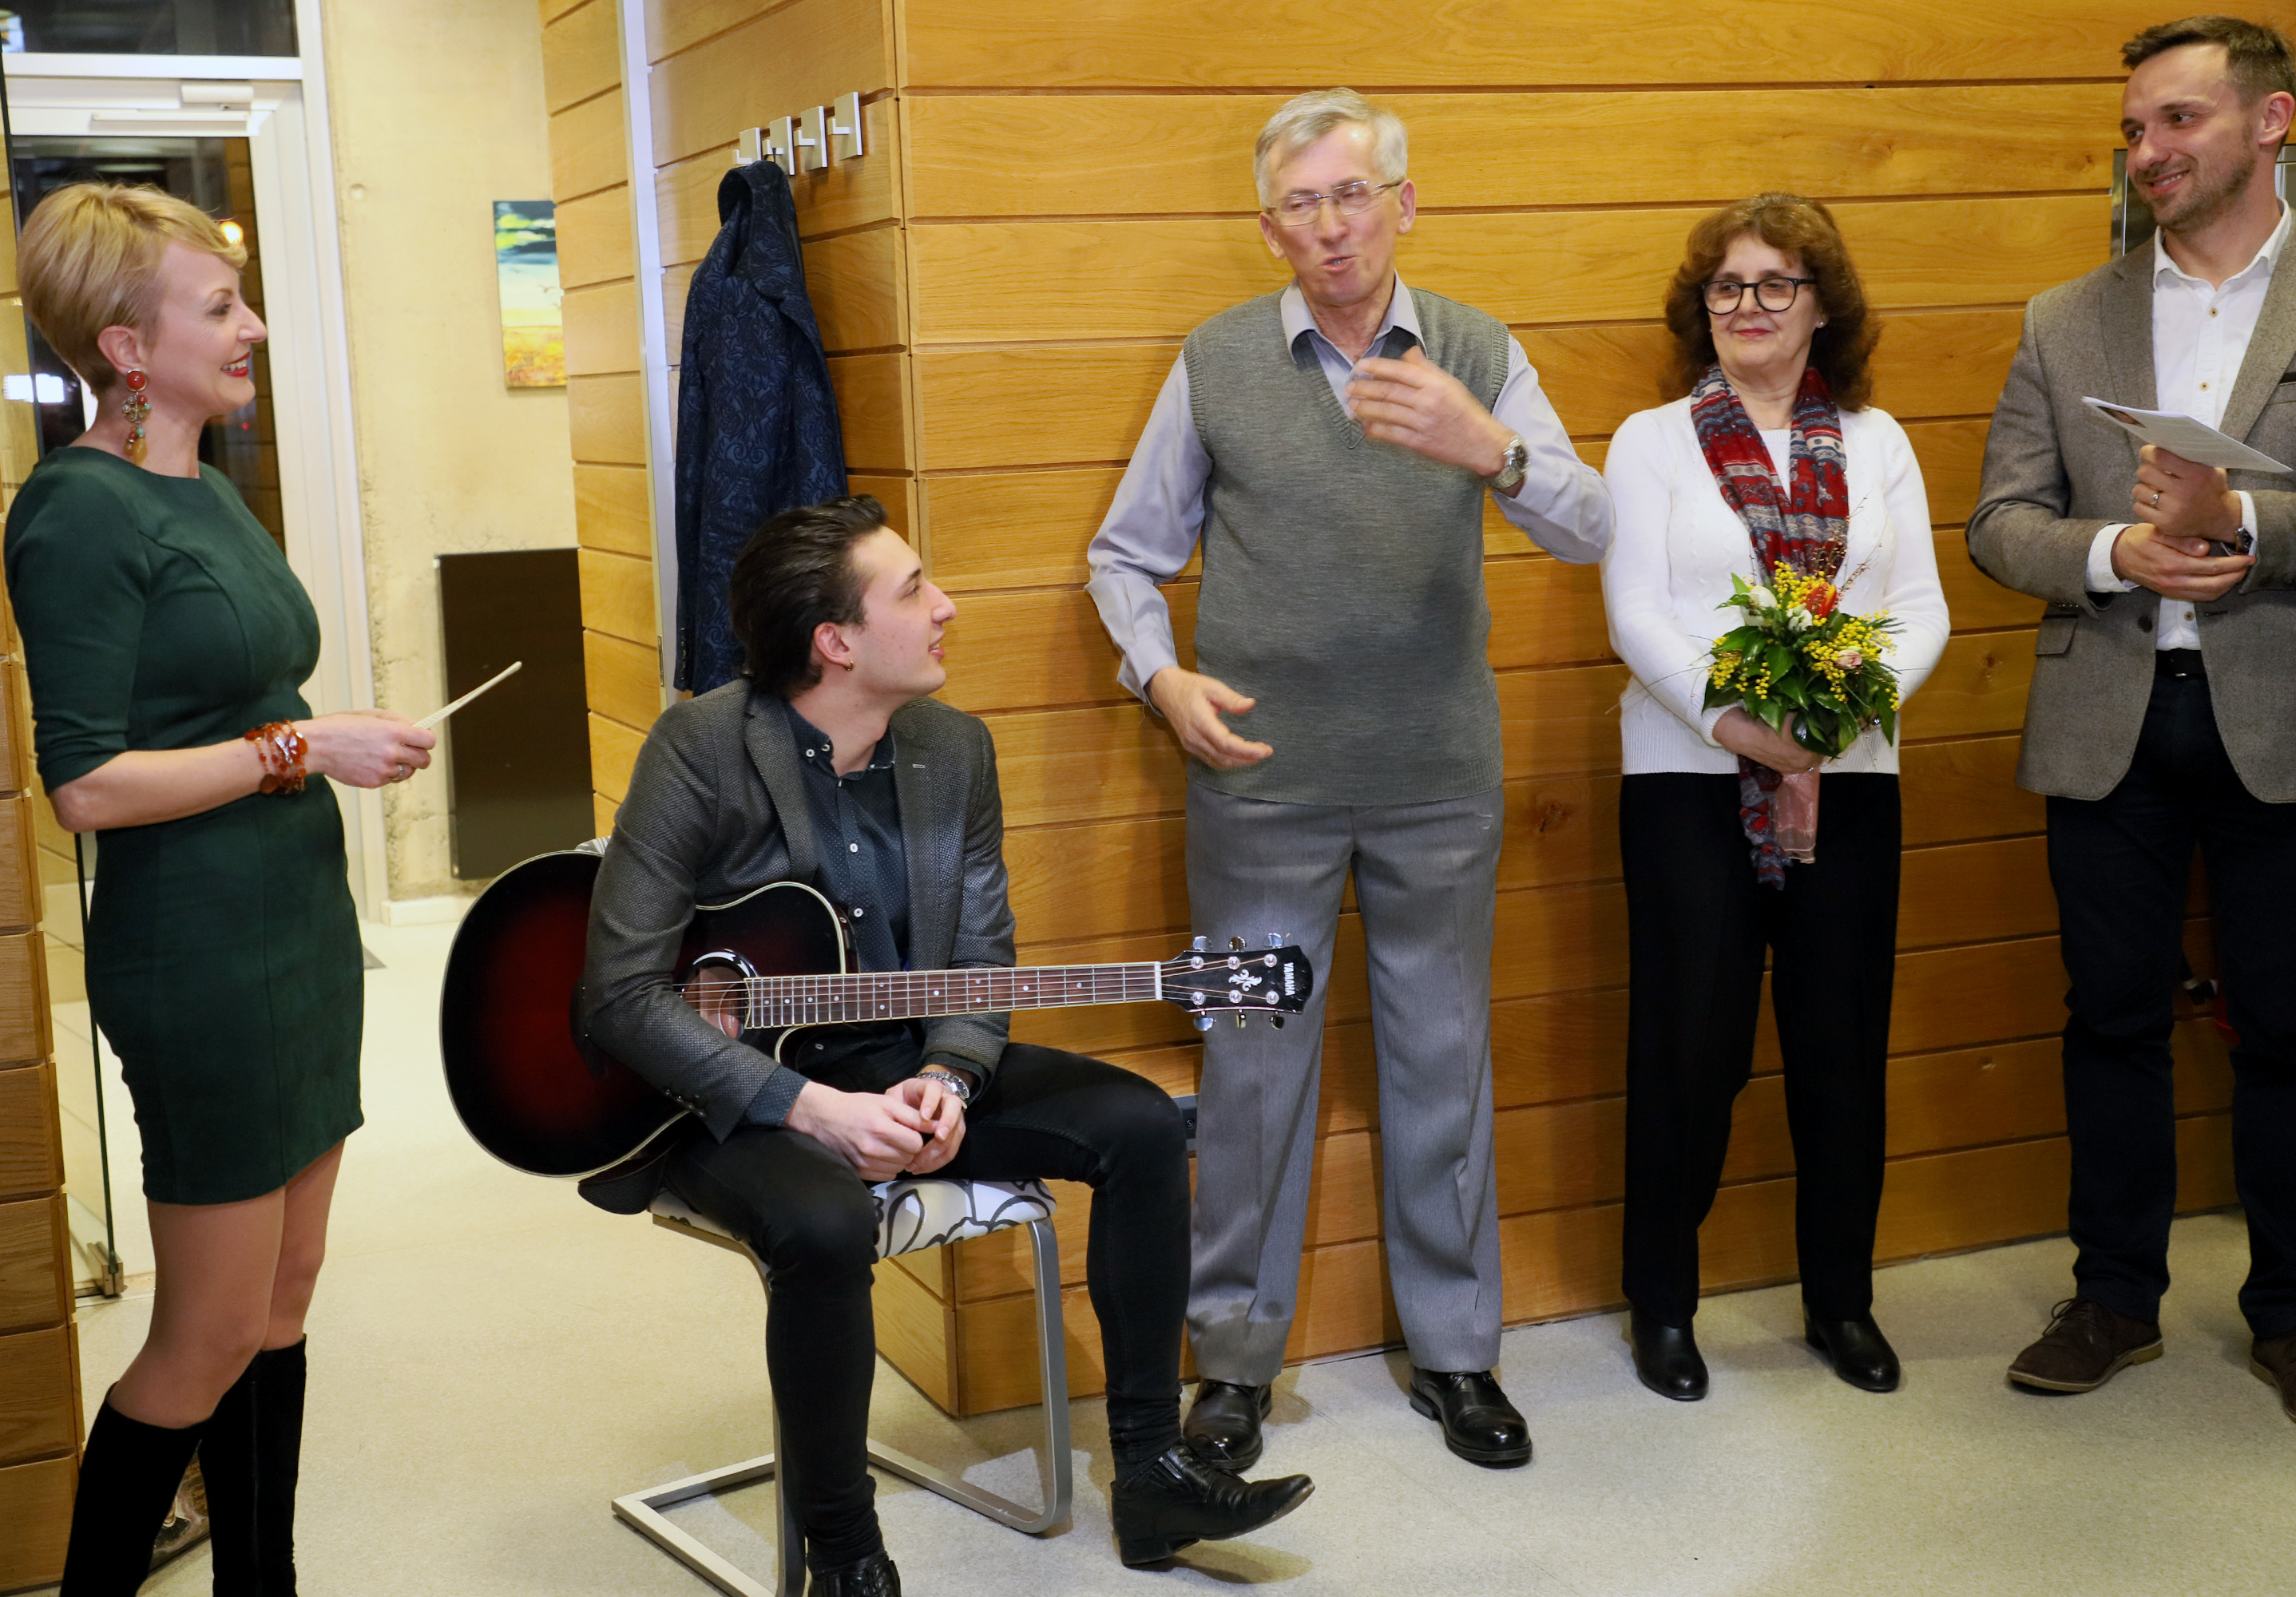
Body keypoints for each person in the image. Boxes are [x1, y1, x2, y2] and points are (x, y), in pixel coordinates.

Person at [573, 497, 1314, 1595]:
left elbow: (981, 955)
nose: (947, 606)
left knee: (1143, 1125)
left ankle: (1154, 1473)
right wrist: (811, 1110)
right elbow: (622, 995)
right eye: (915, 589)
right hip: (726, 1093)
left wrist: (948, 1076)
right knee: (826, 1222)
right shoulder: (703, 748)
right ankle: (844, 1555)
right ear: (836, 641)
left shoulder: (953, 748)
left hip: (901, 1059)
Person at [1085, 88, 1613, 1472]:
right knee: (1253, 1073)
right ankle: (1233, 1368)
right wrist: (1162, 679)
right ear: (1271, 230)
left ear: (1404, 205)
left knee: (1443, 1059)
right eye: (1302, 204)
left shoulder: (1479, 352)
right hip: (1258, 782)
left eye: (1352, 195)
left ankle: (1457, 1354)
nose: (1331, 225)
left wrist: (1489, 449)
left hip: (1439, 778)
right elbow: (1125, 555)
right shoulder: (1215, 360)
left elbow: (1591, 526)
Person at [3, 183, 435, 1593]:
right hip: (199, 959)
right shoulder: (79, 512)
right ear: (127, 349)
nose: (252, 328)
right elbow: (86, 785)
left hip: (295, 933)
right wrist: (302, 747)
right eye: (220, 307)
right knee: (204, 1337)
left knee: (283, 1302)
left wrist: (308, 742)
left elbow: (236, 696)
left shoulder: (208, 485)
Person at [1967, 15, 2296, 1420]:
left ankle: (2289, 1311)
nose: (2148, 151)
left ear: (2271, 123)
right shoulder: (2065, 316)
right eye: (2134, 130)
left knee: (2287, 1025)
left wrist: (2246, 526)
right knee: (2109, 1018)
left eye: (2178, 120)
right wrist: (2120, 553)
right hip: (2108, 716)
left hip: (2280, 718)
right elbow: (2000, 522)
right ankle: (2113, 1298)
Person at [1600, 195, 1949, 1401]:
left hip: (1852, 780)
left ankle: (1840, 1302)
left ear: (1822, 308)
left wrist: (1833, 727)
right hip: (1686, 781)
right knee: (1687, 1050)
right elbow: (1637, 613)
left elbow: (1920, 608)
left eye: (1776, 283)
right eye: (1727, 286)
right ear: (1701, 309)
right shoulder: (1652, 440)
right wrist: (1742, 727)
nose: (1748, 305)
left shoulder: (1878, 440)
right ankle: (1663, 1304)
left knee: (1840, 1048)